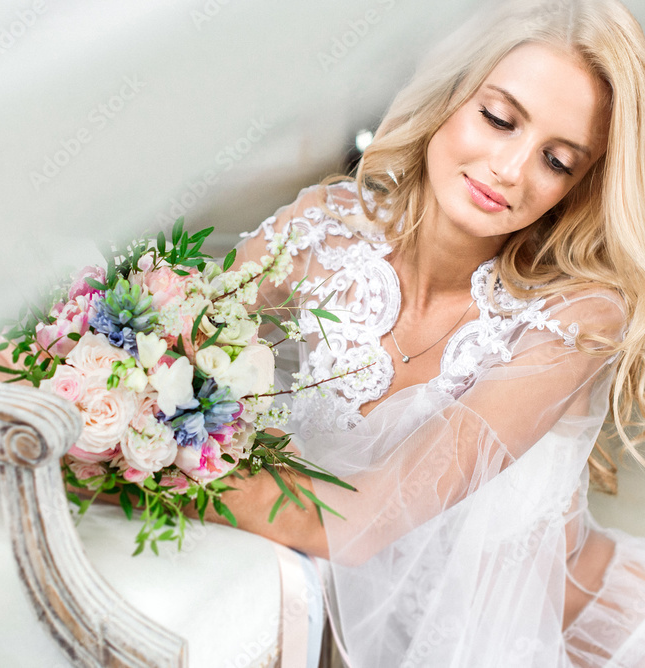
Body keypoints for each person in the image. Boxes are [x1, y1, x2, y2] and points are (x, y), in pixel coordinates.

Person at [206, 0, 645, 664]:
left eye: (557, 161)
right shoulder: (320, 237)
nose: (511, 169)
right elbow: (172, 356)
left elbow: (357, 525)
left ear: (579, 188)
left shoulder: (575, 317)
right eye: (498, 118)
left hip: (576, 645)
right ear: (448, 91)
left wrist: (156, 462)